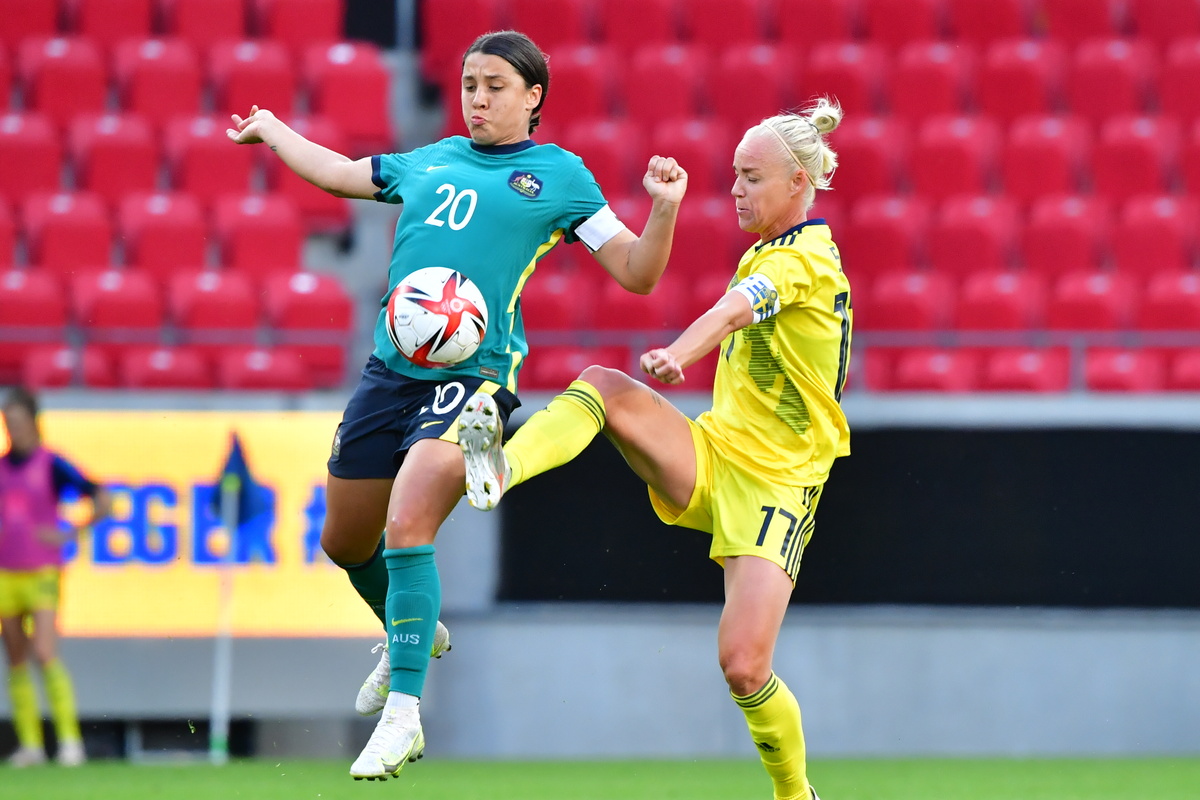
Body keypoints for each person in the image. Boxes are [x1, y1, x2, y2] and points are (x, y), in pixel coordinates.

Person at [226, 30, 686, 779]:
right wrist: (274, 129)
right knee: (345, 541)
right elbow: (339, 174)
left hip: (474, 378)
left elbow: (636, 273)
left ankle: (403, 715)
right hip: (388, 375)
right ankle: (413, 629)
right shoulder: (431, 159)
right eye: (471, 84)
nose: (478, 98)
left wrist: (663, 210)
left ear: (533, 97)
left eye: (495, 86)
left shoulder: (560, 176)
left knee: (409, 520)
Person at [458, 98, 847, 800]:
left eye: (751, 178)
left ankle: (797, 795)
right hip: (716, 453)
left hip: (779, 486)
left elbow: (731, 313)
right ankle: (502, 466)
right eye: (735, 175)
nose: (736, 190)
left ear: (798, 182)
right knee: (603, 386)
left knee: (743, 666)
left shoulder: (807, 260)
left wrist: (678, 354)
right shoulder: (767, 250)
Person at [1, 387, 112, 768]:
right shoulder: (1, 468)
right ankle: (31, 745)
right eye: (7, 422)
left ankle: (69, 740)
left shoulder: (52, 464)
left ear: (33, 421)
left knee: (45, 652)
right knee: (16, 658)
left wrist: (73, 532)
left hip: (41, 570)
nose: (13, 428)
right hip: (5, 572)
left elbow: (102, 497)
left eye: (18, 420)